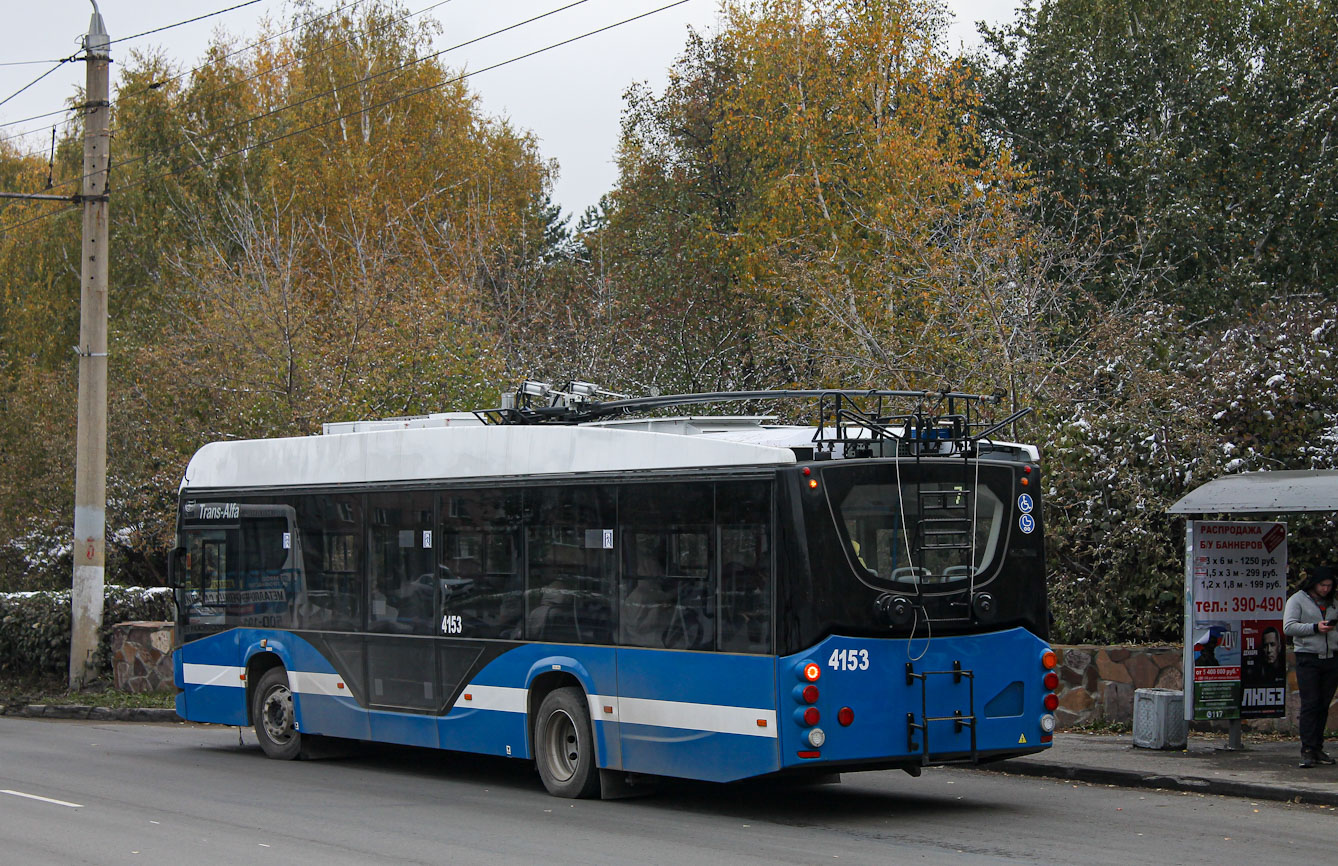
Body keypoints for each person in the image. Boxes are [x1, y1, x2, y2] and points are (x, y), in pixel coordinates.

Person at [1283, 565, 1338, 768]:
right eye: (1323, 585)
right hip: (1308, 656)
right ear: (1314, 584)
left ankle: (1317, 747)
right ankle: (1307, 749)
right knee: (1310, 703)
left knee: (1323, 705)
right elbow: (1288, 627)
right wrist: (1315, 628)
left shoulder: (1332, 603)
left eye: (1329, 586)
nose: (1325, 589)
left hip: (1331, 656)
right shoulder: (1297, 600)